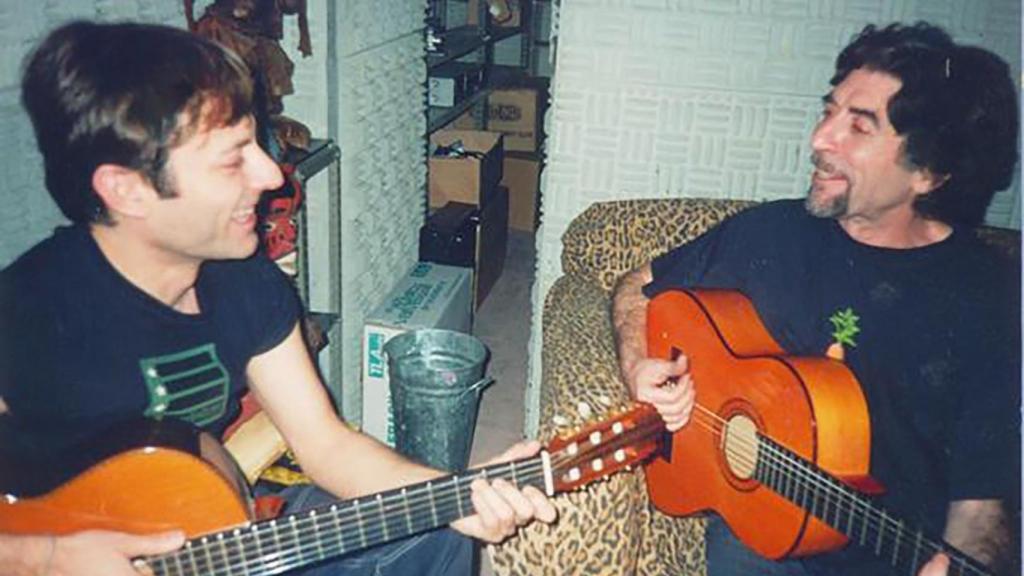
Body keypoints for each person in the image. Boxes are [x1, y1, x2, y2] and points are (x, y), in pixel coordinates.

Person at [0, 20, 555, 576]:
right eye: (232, 157)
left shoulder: (248, 284)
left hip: (210, 532)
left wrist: (458, 495)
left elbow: (327, 445)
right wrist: (46, 557)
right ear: (128, 189)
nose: (273, 175)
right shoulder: (28, 311)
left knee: (440, 538)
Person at [612, 22, 1019, 576]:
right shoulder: (772, 232)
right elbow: (638, 284)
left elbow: (983, 498)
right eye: (828, 112)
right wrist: (639, 365)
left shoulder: (990, 299)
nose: (820, 139)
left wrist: (964, 562)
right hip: (763, 540)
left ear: (927, 173)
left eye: (858, 127)